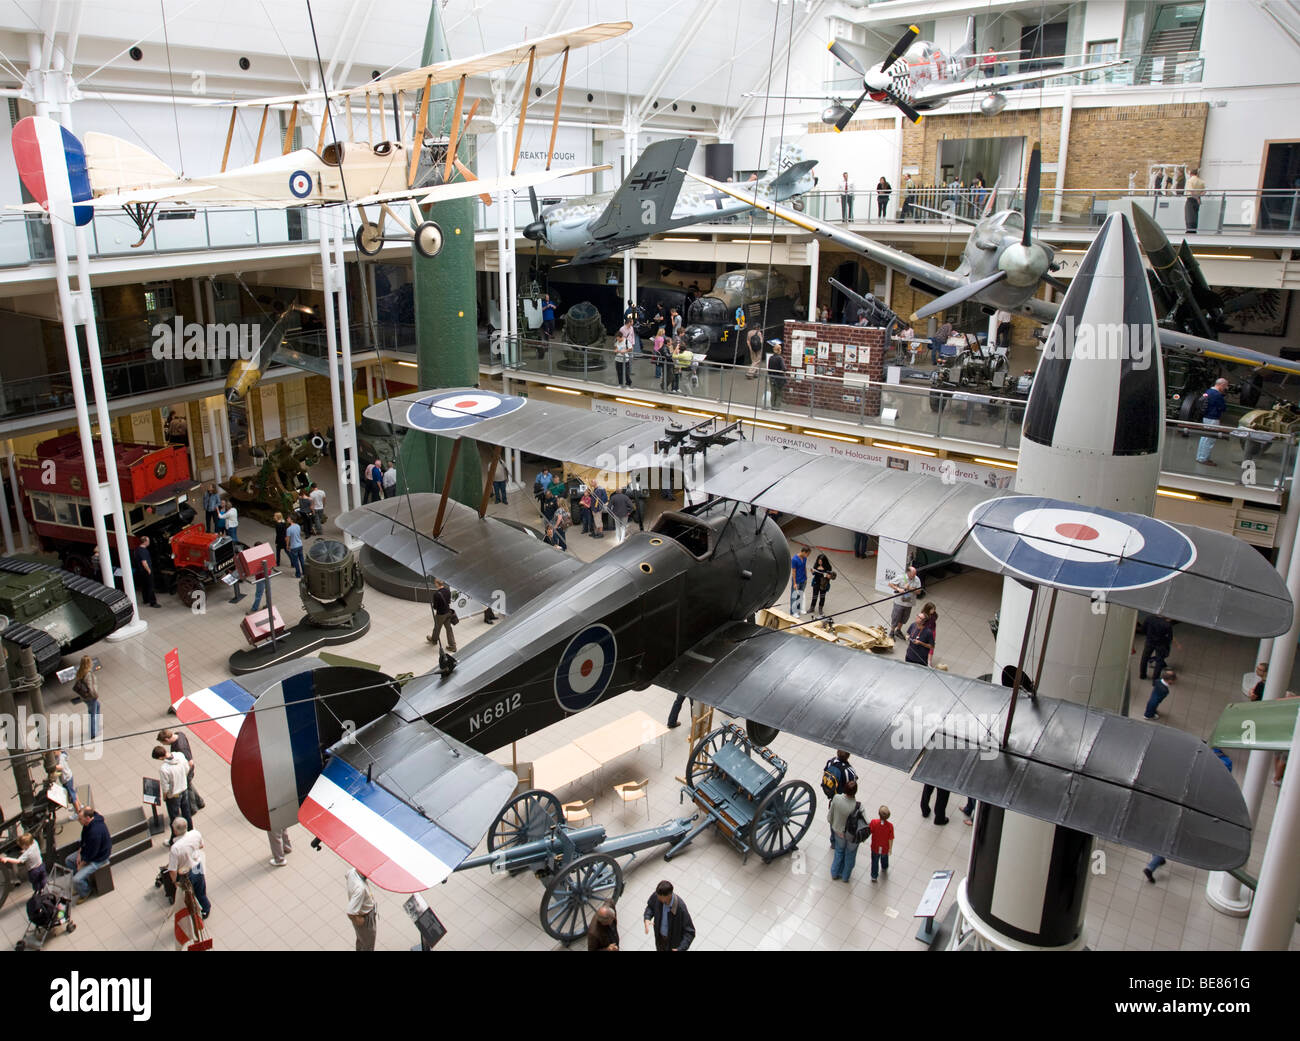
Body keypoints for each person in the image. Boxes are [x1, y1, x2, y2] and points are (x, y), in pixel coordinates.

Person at [63, 806, 111, 902]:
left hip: (99, 858)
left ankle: (85, 891)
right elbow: (84, 840)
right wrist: (80, 852)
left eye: (80, 818)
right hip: (89, 851)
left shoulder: (94, 833)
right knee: (69, 861)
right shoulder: (90, 822)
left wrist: (82, 863)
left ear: (88, 818)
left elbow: (92, 853)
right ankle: (82, 884)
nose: (78, 820)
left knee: (76, 879)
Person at [168, 819, 210, 920]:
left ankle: (193, 912)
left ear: (175, 831)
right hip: (198, 867)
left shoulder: (175, 848)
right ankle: (206, 908)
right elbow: (201, 845)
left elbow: (172, 870)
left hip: (185, 874)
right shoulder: (195, 834)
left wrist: (175, 881)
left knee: (188, 895)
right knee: (200, 890)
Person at [158, 727, 203, 812]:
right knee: (189, 785)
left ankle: (193, 808)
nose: (163, 745)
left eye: (163, 742)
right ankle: (200, 802)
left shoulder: (180, 748)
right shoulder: (179, 734)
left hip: (186, 770)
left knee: (187, 788)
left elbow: (190, 762)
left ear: (167, 739)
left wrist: (184, 773)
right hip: (185, 768)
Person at [643, 880, 695, 951]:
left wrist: (680, 949)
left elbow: (690, 932)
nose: (657, 898)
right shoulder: (657, 895)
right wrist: (647, 918)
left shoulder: (680, 908)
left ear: (668, 895)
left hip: (673, 945)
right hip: (660, 939)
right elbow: (650, 907)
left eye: (660, 897)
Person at [154, 743, 193, 833]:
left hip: (174, 794)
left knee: (174, 817)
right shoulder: (179, 755)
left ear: (160, 758)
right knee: (186, 811)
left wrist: (165, 797)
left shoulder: (164, 769)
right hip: (184, 787)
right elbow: (187, 768)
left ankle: (175, 837)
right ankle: (190, 830)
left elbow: (165, 786)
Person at [828, 779, 861, 882]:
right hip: (851, 836)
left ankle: (834, 873)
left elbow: (830, 816)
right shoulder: (858, 806)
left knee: (839, 851)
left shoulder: (836, 798)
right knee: (850, 855)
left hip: (838, 832)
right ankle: (845, 876)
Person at [1195, 377, 1229, 466]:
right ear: (1221, 385)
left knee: (1204, 438)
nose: (1225, 388)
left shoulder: (1208, 392)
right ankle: (1203, 458)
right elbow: (1223, 407)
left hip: (1206, 417)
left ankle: (1201, 456)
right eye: (1225, 386)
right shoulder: (1217, 395)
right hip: (1213, 418)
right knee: (1210, 439)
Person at [1138, 613, 1178, 680]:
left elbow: (1143, 630)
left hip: (1149, 641)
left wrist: (1149, 636)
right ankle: (1155, 679)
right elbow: (1169, 638)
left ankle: (1143, 675)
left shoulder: (1149, 618)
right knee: (1159, 662)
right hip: (1161, 644)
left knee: (1144, 658)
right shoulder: (1167, 625)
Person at [346, 867, 378, 951]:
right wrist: (361, 922)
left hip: (362, 913)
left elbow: (346, 875)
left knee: (361, 940)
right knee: (368, 945)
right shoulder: (360, 889)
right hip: (365, 918)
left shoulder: (352, 871)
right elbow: (350, 912)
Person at [888, 564, 921, 639]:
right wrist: (898, 589)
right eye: (913, 574)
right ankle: (892, 631)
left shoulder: (917, 579)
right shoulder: (900, 577)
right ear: (908, 573)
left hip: (909, 603)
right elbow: (890, 583)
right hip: (899, 602)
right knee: (895, 617)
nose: (914, 576)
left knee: (904, 618)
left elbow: (919, 592)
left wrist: (910, 588)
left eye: (915, 574)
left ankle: (898, 630)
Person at [73, 654, 100, 740]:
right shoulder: (88, 674)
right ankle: (93, 733)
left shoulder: (80, 672)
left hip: (84, 697)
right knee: (92, 714)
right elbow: (90, 687)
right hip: (91, 697)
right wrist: (95, 695)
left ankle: (96, 726)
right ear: (89, 663)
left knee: (97, 707)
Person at [427, 578, 457, 653]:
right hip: (448, 612)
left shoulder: (436, 594)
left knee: (437, 628)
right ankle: (453, 646)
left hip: (440, 614)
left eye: (435, 583)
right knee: (449, 629)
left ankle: (434, 640)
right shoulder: (447, 590)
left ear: (437, 584)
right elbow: (449, 601)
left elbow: (435, 607)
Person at [132, 535, 161, 608]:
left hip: (140, 571)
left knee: (144, 586)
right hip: (146, 571)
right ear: (145, 542)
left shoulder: (137, 549)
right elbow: (144, 562)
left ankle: (146, 599)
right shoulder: (143, 551)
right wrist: (149, 570)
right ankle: (153, 602)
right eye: (148, 541)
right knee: (150, 586)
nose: (149, 542)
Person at [869, 805, 894, 881]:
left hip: (875, 847)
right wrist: (890, 849)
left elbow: (870, 831)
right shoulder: (890, 826)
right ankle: (884, 867)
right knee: (884, 857)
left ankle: (874, 876)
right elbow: (891, 838)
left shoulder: (874, 822)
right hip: (885, 848)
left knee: (874, 861)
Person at [789, 545, 810, 615]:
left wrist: (806, 577)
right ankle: (793, 612)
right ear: (804, 552)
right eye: (808, 554)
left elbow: (804, 568)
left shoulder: (804, 558)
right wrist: (794, 583)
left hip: (803, 580)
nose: (808, 556)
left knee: (800, 595)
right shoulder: (794, 559)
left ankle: (798, 609)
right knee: (794, 596)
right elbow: (793, 572)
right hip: (797, 581)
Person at [1185, 166, 1206, 231]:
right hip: (1198, 201)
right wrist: (1198, 197)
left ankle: (1190, 230)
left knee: (1189, 216)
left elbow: (1191, 191)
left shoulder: (1190, 181)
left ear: (1191, 174)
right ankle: (1194, 229)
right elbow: (1204, 191)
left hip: (1191, 199)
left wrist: (1196, 198)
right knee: (1195, 216)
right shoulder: (1201, 181)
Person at [766, 342, 787, 409]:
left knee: (773, 393)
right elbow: (784, 368)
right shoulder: (780, 358)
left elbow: (769, 369)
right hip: (778, 378)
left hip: (771, 377)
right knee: (779, 394)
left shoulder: (771, 358)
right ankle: (777, 408)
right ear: (779, 350)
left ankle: (772, 406)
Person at [615, 318, 634, 388]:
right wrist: (616, 350)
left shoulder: (626, 341)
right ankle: (620, 384)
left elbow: (630, 348)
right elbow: (616, 346)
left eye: (618, 338)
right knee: (619, 372)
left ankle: (628, 383)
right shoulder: (618, 340)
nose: (617, 340)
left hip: (625, 359)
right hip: (618, 359)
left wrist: (625, 351)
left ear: (621, 337)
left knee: (626, 372)